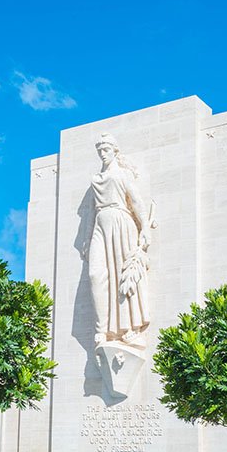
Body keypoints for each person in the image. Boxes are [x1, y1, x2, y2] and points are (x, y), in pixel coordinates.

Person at [85, 133, 155, 346]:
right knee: (95, 274)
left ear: (115, 151)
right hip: (100, 224)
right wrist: (87, 239)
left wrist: (144, 228)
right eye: (99, 151)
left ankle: (128, 328)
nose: (102, 154)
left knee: (122, 274)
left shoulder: (122, 175)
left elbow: (136, 201)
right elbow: (90, 211)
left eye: (106, 150)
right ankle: (102, 329)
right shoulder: (96, 179)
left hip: (121, 221)